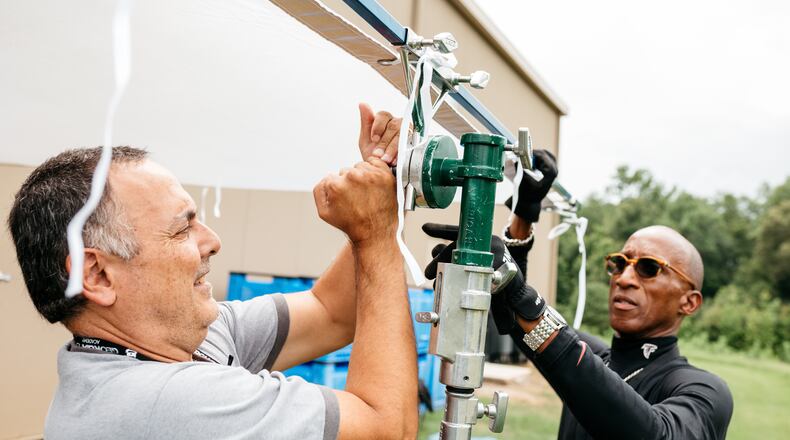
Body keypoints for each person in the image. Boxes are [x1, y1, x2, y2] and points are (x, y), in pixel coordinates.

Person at [7, 106, 417, 439]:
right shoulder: (165, 401)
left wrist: (385, 182)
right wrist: (376, 232)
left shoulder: (180, 337)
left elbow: (331, 312)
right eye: (181, 228)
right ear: (96, 275)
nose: (212, 240)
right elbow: (387, 428)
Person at [423, 151, 733, 439]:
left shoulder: (704, 390)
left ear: (689, 302)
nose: (625, 278)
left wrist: (512, 284)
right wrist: (523, 216)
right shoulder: (596, 359)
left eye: (649, 268)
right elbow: (522, 321)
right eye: (620, 263)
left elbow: (657, 434)